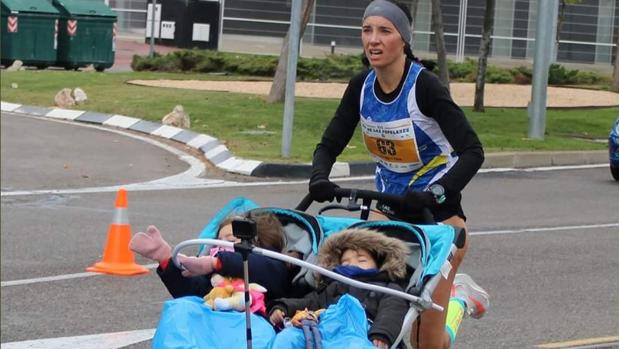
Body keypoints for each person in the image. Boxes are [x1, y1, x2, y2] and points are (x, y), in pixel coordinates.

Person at [307, 1, 489, 348]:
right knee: (370, 315)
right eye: (367, 30)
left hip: (437, 224)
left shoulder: (425, 88)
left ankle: (459, 300)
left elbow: (472, 152)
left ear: (403, 39)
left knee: (428, 343)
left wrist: (436, 192)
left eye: (384, 31)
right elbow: (329, 143)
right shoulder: (361, 86)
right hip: (387, 214)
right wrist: (319, 177)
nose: (373, 40)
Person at [269, 228, 409, 349]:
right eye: (345, 262)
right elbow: (310, 302)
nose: (352, 264)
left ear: (378, 265)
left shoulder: (387, 288)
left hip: (359, 331)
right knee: (288, 338)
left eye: (361, 260)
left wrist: (381, 333)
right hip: (322, 328)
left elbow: (392, 310)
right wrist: (283, 307)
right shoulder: (333, 286)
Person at [129, 212, 292, 303]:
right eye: (219, 242)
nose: (223, 246)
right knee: (181, 310)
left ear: (257, 242)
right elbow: (193, 292)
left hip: (258, 329)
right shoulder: (215, 276)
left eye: (231, 240)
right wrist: (166, 260)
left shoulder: (274, 266)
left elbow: (262, 268)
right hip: (217, 327)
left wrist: (216, 262)